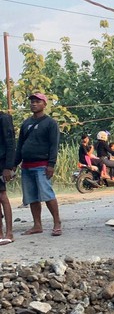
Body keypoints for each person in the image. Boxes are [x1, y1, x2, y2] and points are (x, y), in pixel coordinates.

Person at [14, 92, 62, 237]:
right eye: (32, 101)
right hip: (27, 165)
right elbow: (20, 145)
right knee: (32, 197)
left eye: (37, 101)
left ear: (44, 104)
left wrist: (51, 164)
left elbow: (54, 145)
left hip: (42, 164)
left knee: (47, 194)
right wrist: (14, 164)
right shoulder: (26, 123)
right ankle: (37, 225)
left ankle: (57, 223)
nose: (34, 104)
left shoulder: (50, 123)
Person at [0, 107, 16, 245]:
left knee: (2, 196)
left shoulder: (4, 118)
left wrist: (8, 167)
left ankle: (9, 232)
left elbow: (11, 143)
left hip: (2, 163)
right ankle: (0, 233)